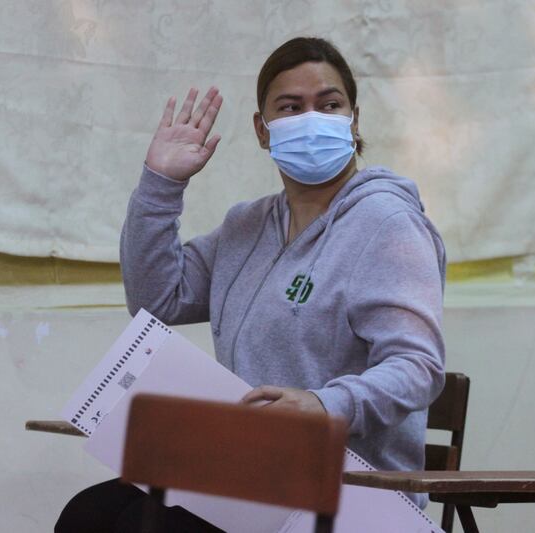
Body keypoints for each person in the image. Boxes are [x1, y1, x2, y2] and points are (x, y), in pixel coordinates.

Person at [56, 36, 446, 533]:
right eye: (291, 107)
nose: (312, 119)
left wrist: (324, 405)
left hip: (352, 489)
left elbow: (418, 367)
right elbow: (157, 300)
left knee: (155, 526)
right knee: (89, 516)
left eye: (329, 105)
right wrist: (161, 183)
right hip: (254, 473)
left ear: (353, 121)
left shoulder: (387, 224)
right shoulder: (248, 226)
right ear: (263, 131)